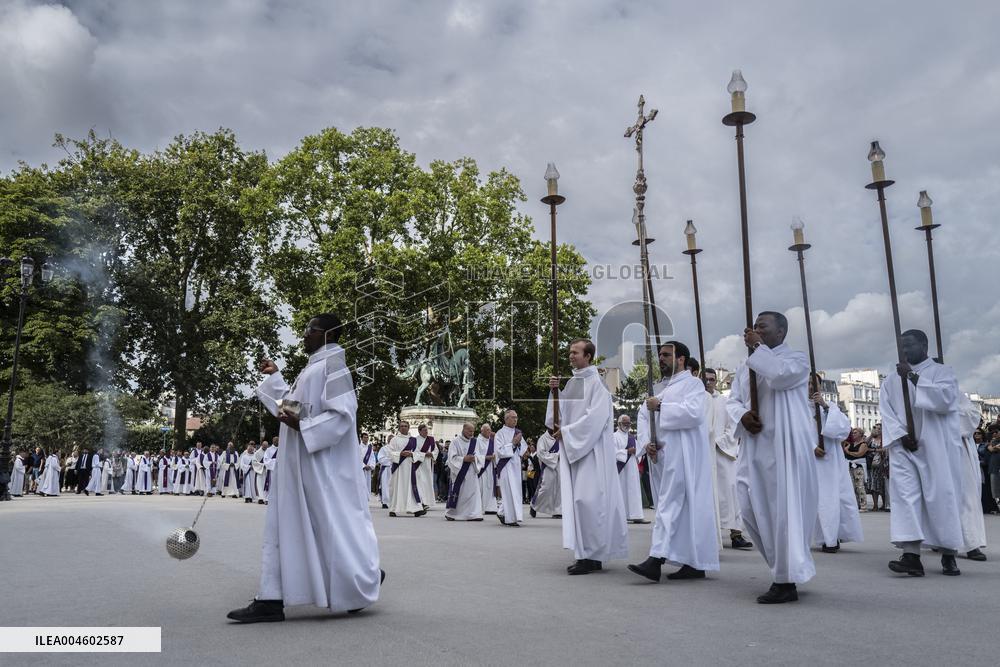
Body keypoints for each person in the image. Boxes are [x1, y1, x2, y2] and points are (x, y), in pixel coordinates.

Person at [227, 312, 382, 623]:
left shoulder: (334, 366)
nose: (304, 334)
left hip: (319, 468)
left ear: (327, 334)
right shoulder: (313, 368)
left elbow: (342, 416)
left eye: (310, 329)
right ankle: (273, 597)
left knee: (328, 528)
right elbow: (296, 409)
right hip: (300, 464)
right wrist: (275, 378)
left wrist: (306, 425)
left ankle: (361, 578)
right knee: (296, 526)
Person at [726, 312, 818, 604]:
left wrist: (757, 349)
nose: (755, 331)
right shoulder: (746, 365)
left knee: (782, 510)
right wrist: (742, 415)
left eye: (762, 327)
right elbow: (734, 400)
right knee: (750, 505)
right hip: (755, 443)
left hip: (784, 446)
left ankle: (785, 578)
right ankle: (782, 568)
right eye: (754, 327)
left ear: (781, 332)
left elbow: (779, 377)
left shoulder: (797, 360)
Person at [628, 341, 719, 583]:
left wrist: (662, 406)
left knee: (669, 506)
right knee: (680, 508)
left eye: (666, 355)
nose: (661, 359)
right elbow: (644, 416)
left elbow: (694, 414)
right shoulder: (663, 387)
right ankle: (694, 562)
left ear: (681, 359)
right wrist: (648, 441)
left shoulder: (692, 385)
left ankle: (655, 560)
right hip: (664, 457)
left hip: (684, 456)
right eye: (659, 355)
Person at [880, 329, 964, 577]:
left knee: (941, 497)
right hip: (904, 445)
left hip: (937, 447)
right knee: (905, 497)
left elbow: (947, 400)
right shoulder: (891, 379)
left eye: (909, 345)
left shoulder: (942, 372)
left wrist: (914, 378)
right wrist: (901, 435)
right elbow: (886, 411)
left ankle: (948, 553)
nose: (904, 351)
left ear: (924, 345)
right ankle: (911, 555)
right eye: (901, 346)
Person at [547, 338, 628, 575]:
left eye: (575, 352)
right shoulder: (573, 382)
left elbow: (596, 418)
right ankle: (585, 554)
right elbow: (560, 415)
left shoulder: (597, 383)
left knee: (589, 501)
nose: (571, 356)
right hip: (576, 450)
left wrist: (568, 432)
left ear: (588, 356)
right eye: (570, 352)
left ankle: (592, 555)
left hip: (592, 452)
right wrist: (554, 392)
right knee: (580, 502)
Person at [809, 381, 863, 553]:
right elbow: (796, 432)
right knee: (817, 499)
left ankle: (833, 535)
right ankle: (824, 536)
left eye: (815, 383)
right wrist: (811, 447)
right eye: (808, 383)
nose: (811, 387)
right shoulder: (797, 408)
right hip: (811, 460)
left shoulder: (831, 407)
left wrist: (825, 407)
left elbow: (843, 429)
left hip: (831, 460)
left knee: (835, 498)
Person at [703, 368, 752, 550]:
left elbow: (732, 428)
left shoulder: (724, 402)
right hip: (702, 455)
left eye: (712, 379)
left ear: (716, 382)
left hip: (722, 453)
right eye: (706, 379)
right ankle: (709, 534)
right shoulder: (697, 400)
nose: (709, 382)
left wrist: (717, 443)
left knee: (730, 493)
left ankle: (736, 534)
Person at [957, 394, 988, 561]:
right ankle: (941, 539)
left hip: (959, 452)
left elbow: (972, 417)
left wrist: (946, 414)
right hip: (936, 450)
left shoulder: (955, 392)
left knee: (967, 498)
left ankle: (971, 543)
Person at [444, 422, 484, 521]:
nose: (471, 433)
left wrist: (475, 458)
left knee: (473, 493)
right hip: (460, 472)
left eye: (473, 431)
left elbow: (480, 456)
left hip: (472, 472)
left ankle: (474, 514)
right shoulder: (455, 442)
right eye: (469, 431)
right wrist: (463, 459)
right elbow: (451, 458)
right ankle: (453, 514)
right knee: (461, 494)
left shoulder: (475, 442)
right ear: (464, 429)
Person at [386, 421, 427, 517]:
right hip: (398, 468)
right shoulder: (394, 440)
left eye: (405, 426)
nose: (403, 428)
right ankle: (393, 508)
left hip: (410, 467)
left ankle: (415, 509)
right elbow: (389, 453)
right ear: (399, 428)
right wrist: (400, 454)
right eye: (401, 426)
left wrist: (412, 454)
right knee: (396, 487)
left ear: (408, 428)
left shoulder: (413, 440)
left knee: (411, 488)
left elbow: (419, 453)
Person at [494, 410, 526, 527]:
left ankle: (505, 513)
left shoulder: (518, 432)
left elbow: (523, 449)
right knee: (508, 491)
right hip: (505, 466)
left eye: (516, 417)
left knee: (516, 491)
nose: (515, 420)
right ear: (506, 419)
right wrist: (512, 443)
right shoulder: (500, 434)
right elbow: (500, 451)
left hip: (516, 465)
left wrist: (519, 444)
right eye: (513, 417)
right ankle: (510, 518)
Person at [613, 414, 647, 524]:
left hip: (632, 468)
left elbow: (640, 452)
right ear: (619, 424)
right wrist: (626, 452)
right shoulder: (614, 436)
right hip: (621, 469)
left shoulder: (632, 438)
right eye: (625, 423)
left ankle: (636, 515)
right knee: (622, 491)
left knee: (634, 491)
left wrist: (638, 452)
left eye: (629, 423)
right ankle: (623, 516)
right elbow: (612, 452)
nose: (627, 425)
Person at [530, 430, 562, 518]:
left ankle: (558, 511)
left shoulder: (561, 436)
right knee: (546, 488)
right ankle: (534, 505)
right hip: (548, 466)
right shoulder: (543, 439)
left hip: (560, 466)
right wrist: (556, 456)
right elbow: (540, 454)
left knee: (560, 488)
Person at [843, 428, 869, 511]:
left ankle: (863, 505)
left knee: (860, 486)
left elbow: (859, 454)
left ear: (860, 434)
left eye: (855, 433)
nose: (853, 434)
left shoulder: (863, 444)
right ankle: (856, 504)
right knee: (852, 486)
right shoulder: (851, 444)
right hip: (850, 466)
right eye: (853, 433)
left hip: (858, 466)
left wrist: (848, 452)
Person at [476, 423, 498, 514]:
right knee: (481, 487)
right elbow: (475, 454)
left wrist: (495, 457)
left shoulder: (492, 441)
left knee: (490, 486)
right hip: (482, 468)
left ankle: (490, 507)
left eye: (490, 429)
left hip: (490, 467)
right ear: (482, 431)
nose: (490, 432)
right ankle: (480, 507)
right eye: (487, 430)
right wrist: (486, 457)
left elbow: (497, 452)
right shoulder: (477, 441)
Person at [866, 425, 889, 511]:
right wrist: (871, 435)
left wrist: (873, 450)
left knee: (882, 485)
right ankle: (875, 505)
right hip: (872, 464)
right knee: (874, 485)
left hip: (882, 464)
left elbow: (885, 449)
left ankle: (884, 504)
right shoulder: (872, 439)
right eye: (875, 428)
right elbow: (864, 444)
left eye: (879, 428)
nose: (877, 430)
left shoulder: (885, 439)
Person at [414, 425, 436, 511]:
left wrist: (432, 454)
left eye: (427, 430)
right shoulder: (415, 440)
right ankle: (421, 502)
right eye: (424, 430)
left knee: (427, 483)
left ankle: (427, 502)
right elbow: (414, 452)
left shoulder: (431, 440)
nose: (426, 432)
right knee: (420, 483)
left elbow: (436, 450)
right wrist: (424, 454)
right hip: (419, 465)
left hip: (428, 465)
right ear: (419, 431)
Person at [376, 443, 392, 509]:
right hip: (386, 469)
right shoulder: (384, 448)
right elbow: (380, 459)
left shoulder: (397, 448)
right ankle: (385, 502)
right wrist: (391, 460)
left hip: (394, 468)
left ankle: (393, 502)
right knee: (384, 485)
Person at [360, 433, 375, 501]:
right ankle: (361, 498)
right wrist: (363, 465)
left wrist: (371, 466)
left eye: (367, 437)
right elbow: (357, 458)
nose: (366, 439)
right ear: (361, 438)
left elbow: (373, 458)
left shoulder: (370, 448)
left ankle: (366, 499)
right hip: (361, 470)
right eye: (364, 437)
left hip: (368, 469)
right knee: (361, 484)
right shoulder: (358, 447)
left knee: (368, 484)